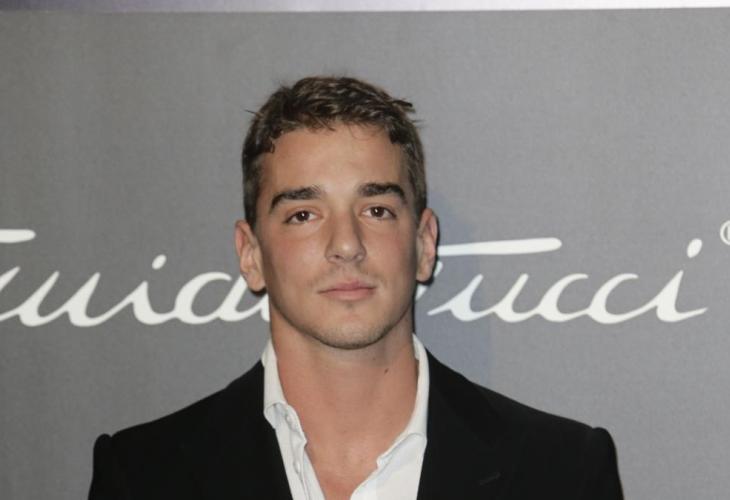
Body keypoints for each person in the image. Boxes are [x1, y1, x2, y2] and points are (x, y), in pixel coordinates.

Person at [89, 76, 623, 500]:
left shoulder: (562, 472)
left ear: (424, 243)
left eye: (376, 209)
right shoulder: (143, 477)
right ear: (251, 255)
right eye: (303, 214)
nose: (346, 244)